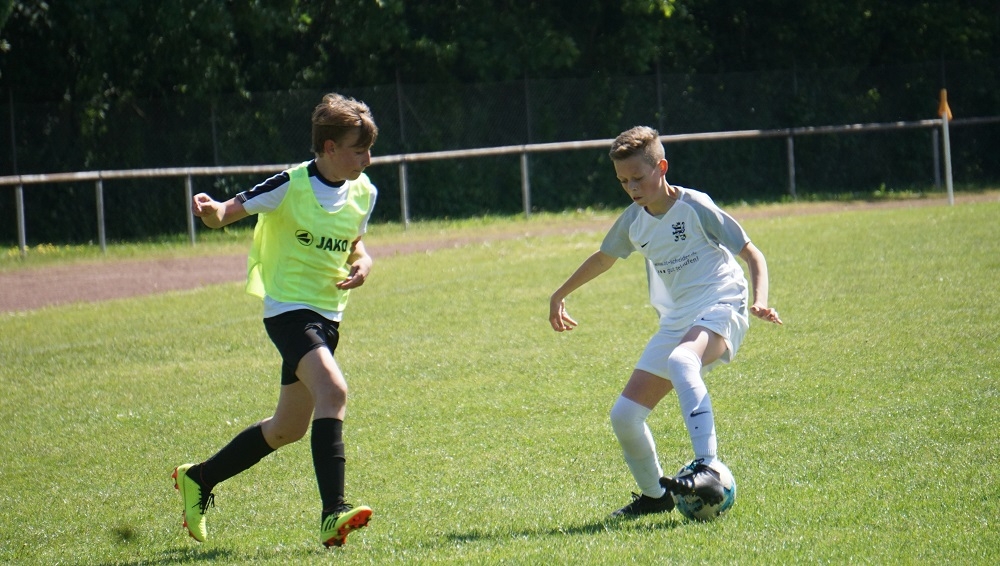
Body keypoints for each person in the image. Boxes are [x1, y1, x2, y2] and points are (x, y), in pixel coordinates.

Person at [173, 93, 379, 547]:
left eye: (369, 149)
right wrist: (209, 210)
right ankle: (333, 514)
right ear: (329, 147)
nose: (368, 159)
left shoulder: (364, 192)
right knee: (334, 391)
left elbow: (355, 244)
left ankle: (199, 478)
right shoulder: (289, 184)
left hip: (329, 317)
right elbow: (226, 213)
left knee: (287, 428)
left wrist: (364, 263)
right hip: (288, 312)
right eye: (359, 150)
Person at [548, 125, 782, 518]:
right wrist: (560, 293)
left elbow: (751, 253)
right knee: (625, 416)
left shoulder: (694, 206)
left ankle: (708, 467)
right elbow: (604, 258)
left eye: (638, 178)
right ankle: (656, 496)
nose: (631, 188)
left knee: (682, 360)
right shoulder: (633, 221)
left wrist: (760, 301)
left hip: (723, 302)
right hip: (678, 319)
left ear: (662, 167)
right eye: (623, 181)